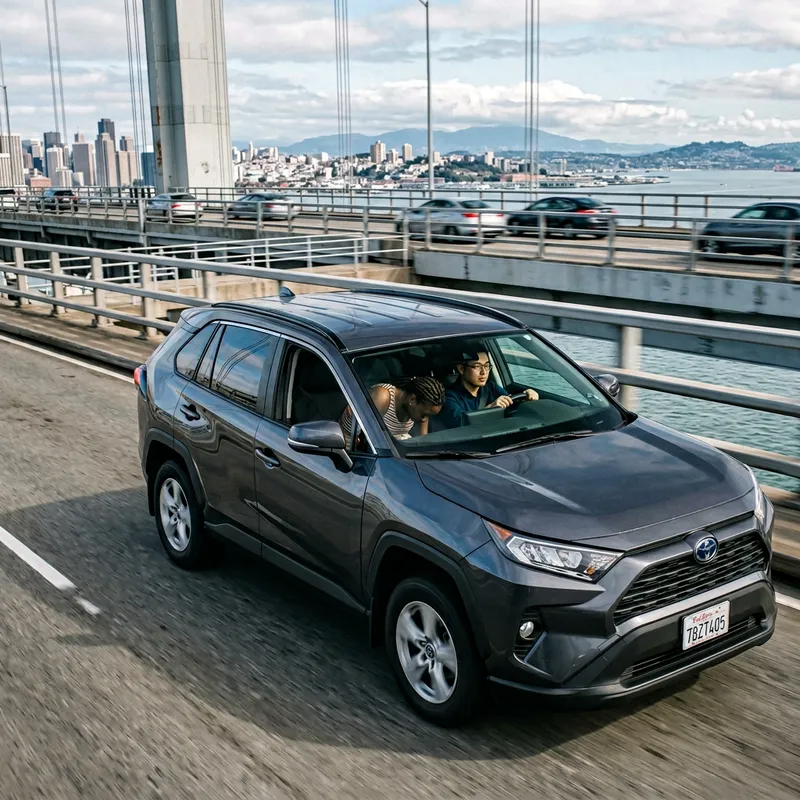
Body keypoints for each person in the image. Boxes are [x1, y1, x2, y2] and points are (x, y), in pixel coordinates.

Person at [439, 350, 538, 428]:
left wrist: (526, 398)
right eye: (477, 366)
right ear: (461, 369)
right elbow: (460, 423)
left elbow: (510, 402)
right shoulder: (448, 396)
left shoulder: (491, 387)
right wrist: (490, 409)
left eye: (486, 366)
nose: (484, 372)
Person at [341, 376, 446, 441]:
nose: (424, 420)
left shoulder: (422, 406)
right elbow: (351, 434)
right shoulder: (382, 398)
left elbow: (423, 442)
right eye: (424, 415)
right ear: (413, 399)